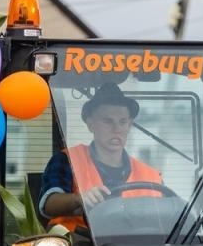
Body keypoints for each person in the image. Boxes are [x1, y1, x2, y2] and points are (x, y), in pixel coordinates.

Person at [37, 84, 163, 220]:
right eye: (108, 121)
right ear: (91, 124)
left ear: (129, 125)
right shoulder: (67, 160)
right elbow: (48, 204)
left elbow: (171, 216)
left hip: (139, 241)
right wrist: (79, 199)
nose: (117, 129)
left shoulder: (151, 176)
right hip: (79, 239)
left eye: (123, 122)